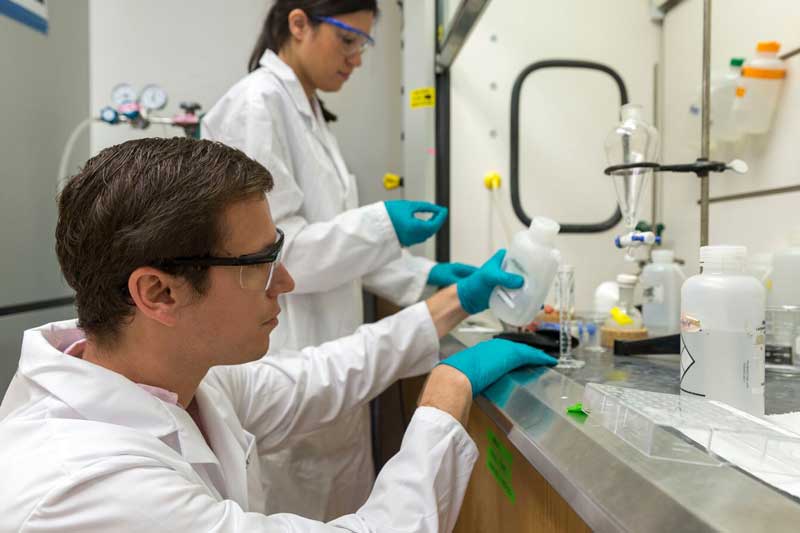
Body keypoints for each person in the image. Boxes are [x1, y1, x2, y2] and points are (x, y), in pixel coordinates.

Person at [0, 138, 556, 531]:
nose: (286, 282)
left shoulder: (172, 378)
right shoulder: (87, 485)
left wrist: (458, 301)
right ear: (159, 294)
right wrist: (445, 397)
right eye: (261, 263)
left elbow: (321, 376)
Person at [202, 0, 478, 519]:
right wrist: (380, 225)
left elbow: (336, 250)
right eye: (347, 40)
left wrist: (426, 276)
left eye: (364, 44)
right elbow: (278, 256)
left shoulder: (307, 111)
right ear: (299, 23)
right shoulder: (257, 104)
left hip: (329, 356)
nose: (356, 58)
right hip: (285, 351)